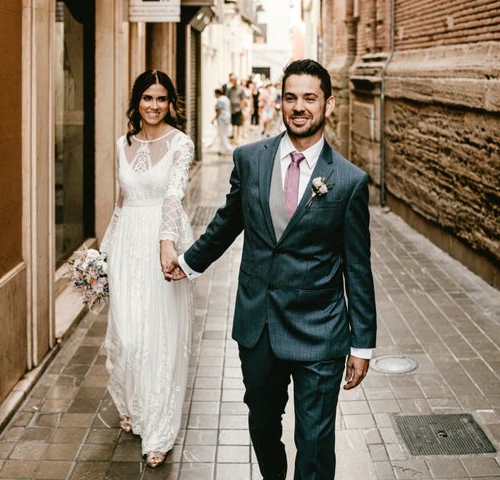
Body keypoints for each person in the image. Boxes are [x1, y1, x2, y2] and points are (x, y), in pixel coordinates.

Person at [165, 59, 377, 479]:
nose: (299, 106)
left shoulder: (349, 181)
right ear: (281, 102)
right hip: (259, 325)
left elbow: (357, 266)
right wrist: (188, 263)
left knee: (315, 441)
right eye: (291, 97)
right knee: (262, 426)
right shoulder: (250, 160)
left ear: (328, 105)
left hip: (321, 330)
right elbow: (227, 222)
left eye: (309, 98)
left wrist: (362, 343)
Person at [99, 69, 194, 469]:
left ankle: (158, 429)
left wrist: (167, 244)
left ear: (171, 102)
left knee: (160, 336)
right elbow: (121, 201)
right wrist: (103, 253)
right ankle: (135, 406)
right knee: (129, 333)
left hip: (162, 241)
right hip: (127, 244)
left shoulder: (181, 143)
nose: (154, 106)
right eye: (147, 98)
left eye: (161, 99)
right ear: (136, 101)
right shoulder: (122, 143)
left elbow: (174, 194)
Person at [226, 74, 246, 146]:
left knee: (237, 125)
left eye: (233, 80)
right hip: (231, 110)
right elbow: (227, 99)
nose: (232, 81)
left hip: (238, 109)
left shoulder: (240, 89)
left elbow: (243, 99)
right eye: (231, 80)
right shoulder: (229, 90)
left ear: (236, 81)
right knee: (234, 125)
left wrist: (241, 108)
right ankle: (235, 139)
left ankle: (236, 139)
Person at [212, 88, 233, 155]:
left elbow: (219, 111)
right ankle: (221, 150)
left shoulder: (220, 100)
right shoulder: (226, 99)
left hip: (222, 119)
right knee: (224, 134)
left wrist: (214, 119)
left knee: (222, 134)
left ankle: (228, 148)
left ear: (217, 93)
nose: (214, 95)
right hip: (227, 118)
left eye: (215, 94)